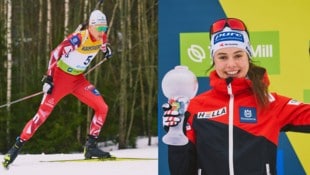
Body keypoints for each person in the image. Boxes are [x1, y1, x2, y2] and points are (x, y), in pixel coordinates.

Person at [162, 18, 310, 175]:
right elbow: (181, 171)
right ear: (214, 59)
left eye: (238, 55)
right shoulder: (194, 107)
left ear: (248, 56)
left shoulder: (271, 103)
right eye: (223, 57)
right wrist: (176, 135)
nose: (231, 64)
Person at [3, 10, 113, 168]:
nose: (103, 32)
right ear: (91, 26)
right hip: (60, 79)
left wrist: (106, 51)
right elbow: (55, 54)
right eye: (100, 28)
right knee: (41, 116)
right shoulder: (78, 38)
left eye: (105, 28)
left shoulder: (102, 37)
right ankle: (15, 148)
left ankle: (90, 147)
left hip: (78, 80)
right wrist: (49, 77)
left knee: (102, 107)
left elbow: (103, 45)